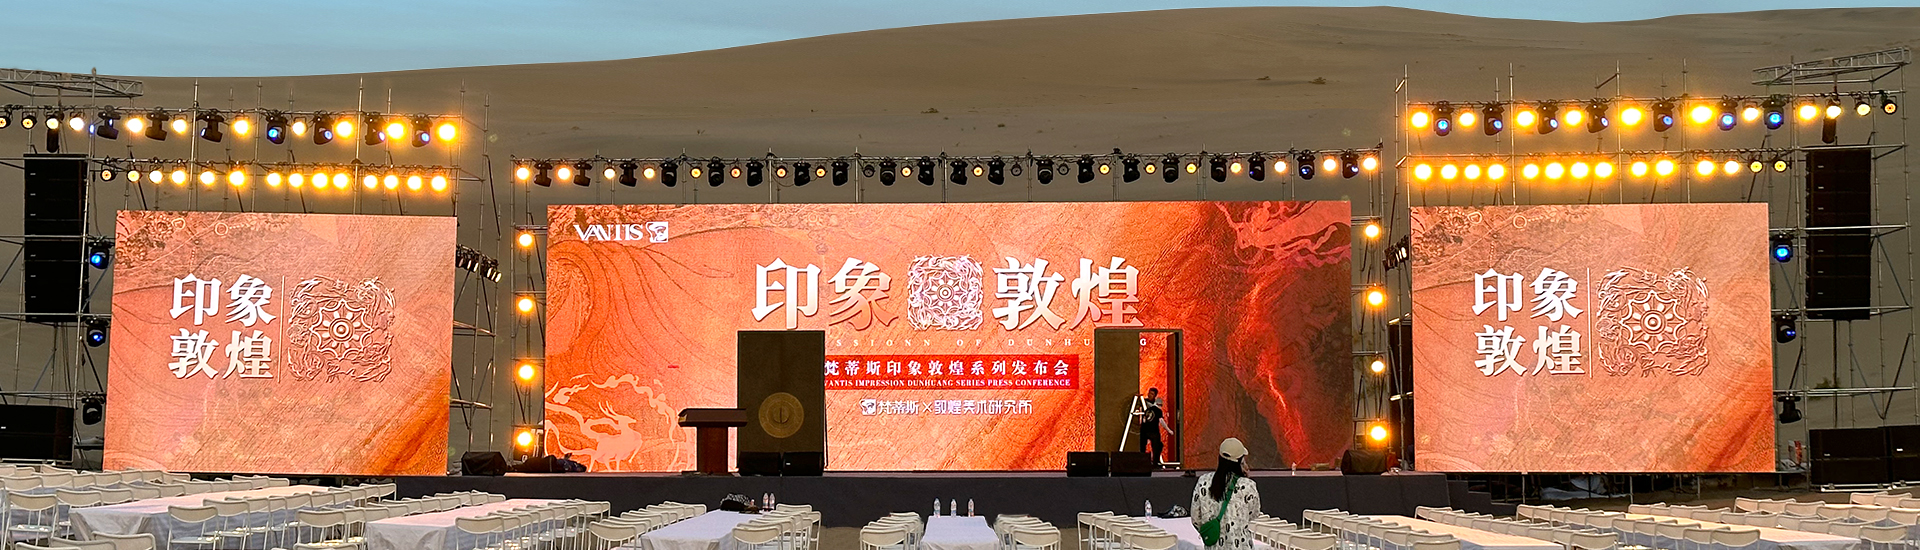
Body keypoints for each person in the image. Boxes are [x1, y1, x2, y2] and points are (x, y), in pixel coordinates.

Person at [1191, 438, 1261, 550]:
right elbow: (1254, 513)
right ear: (1240, 461)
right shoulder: (1248, 485)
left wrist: (1212, 532)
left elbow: (1196, 518)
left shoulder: (1203, 482)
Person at [1139, 388, 1167, 463]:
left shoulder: (1156, 405)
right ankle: (1143, 462)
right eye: (1149, 393)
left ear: (1155, 395)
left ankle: (1155, 462)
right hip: (1145, 428)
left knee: (1157, 445)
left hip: (1154, 429)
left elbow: (1160, 418)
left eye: (1152, 394)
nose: (1149, 395)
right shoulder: (1143, 402)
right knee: (1142, 446)